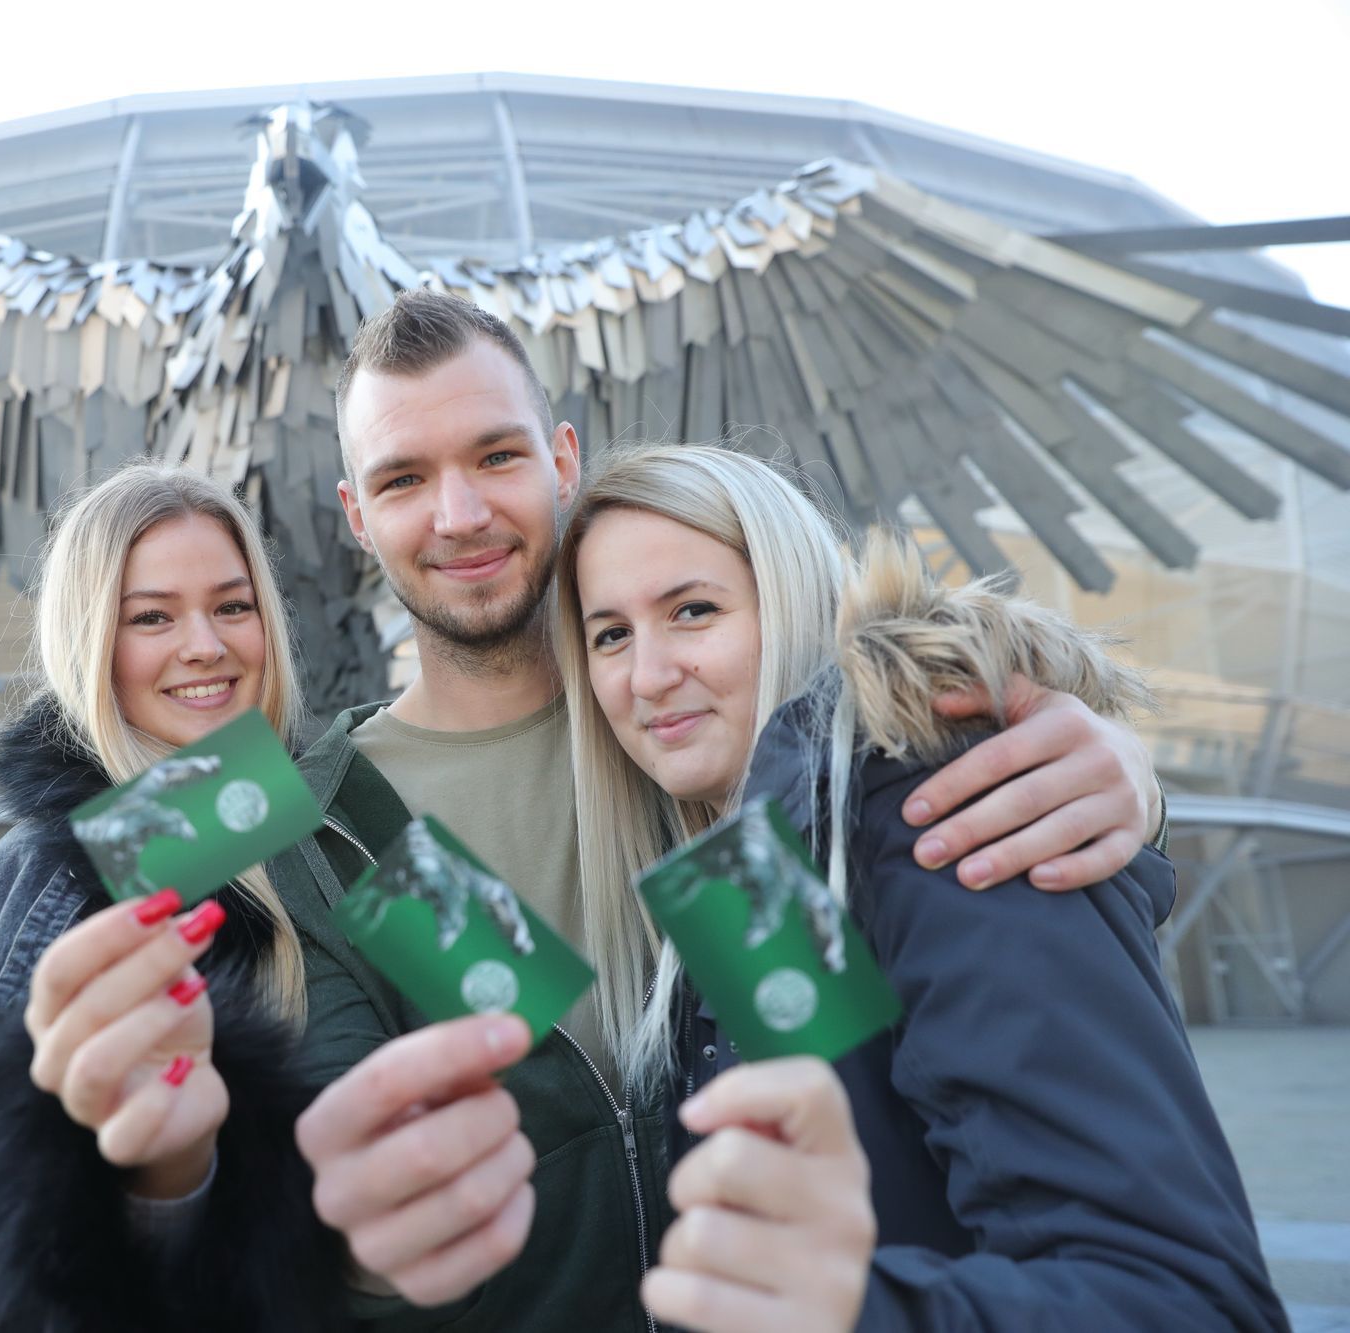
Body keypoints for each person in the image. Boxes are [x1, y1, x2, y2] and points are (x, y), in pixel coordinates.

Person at [276, 289, 1170, 1330]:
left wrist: (1125, 786)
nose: (459, 513)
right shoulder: (330, 811)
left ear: (561, 459)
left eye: (494, 456)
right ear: (355, 515)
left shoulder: (715, 740)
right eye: (402, 478)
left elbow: (949, 1048)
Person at [556, 443, 1286, 1331]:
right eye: (610, 635)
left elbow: (1183, 1299)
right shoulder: (751, 874)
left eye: (695, 610)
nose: (648, 674)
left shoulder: (944, 811)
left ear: (789, 601)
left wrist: (851, 1313)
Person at [0, 462, 344, 1332]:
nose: (205, 644)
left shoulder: (331, 825)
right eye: (151, 616)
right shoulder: (38, 880)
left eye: (233, 606)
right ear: (90, 640)